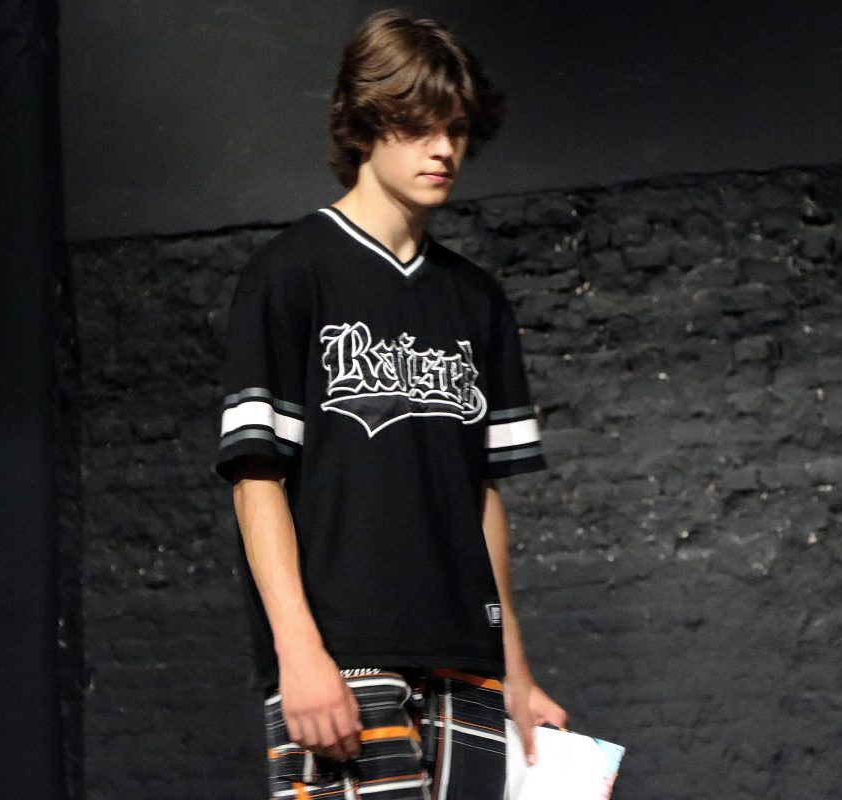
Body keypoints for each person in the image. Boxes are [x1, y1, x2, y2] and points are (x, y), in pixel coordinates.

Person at [213, 9, 567, 799]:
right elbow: (256, 478)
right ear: (366, 124)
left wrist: (514, 670)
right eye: (418, 126)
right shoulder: (290, 274)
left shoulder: (476, 300)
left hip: (466, 661)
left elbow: (481, 495)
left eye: (457, 129)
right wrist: (298, 653)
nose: (443, 150)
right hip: (344, 660)